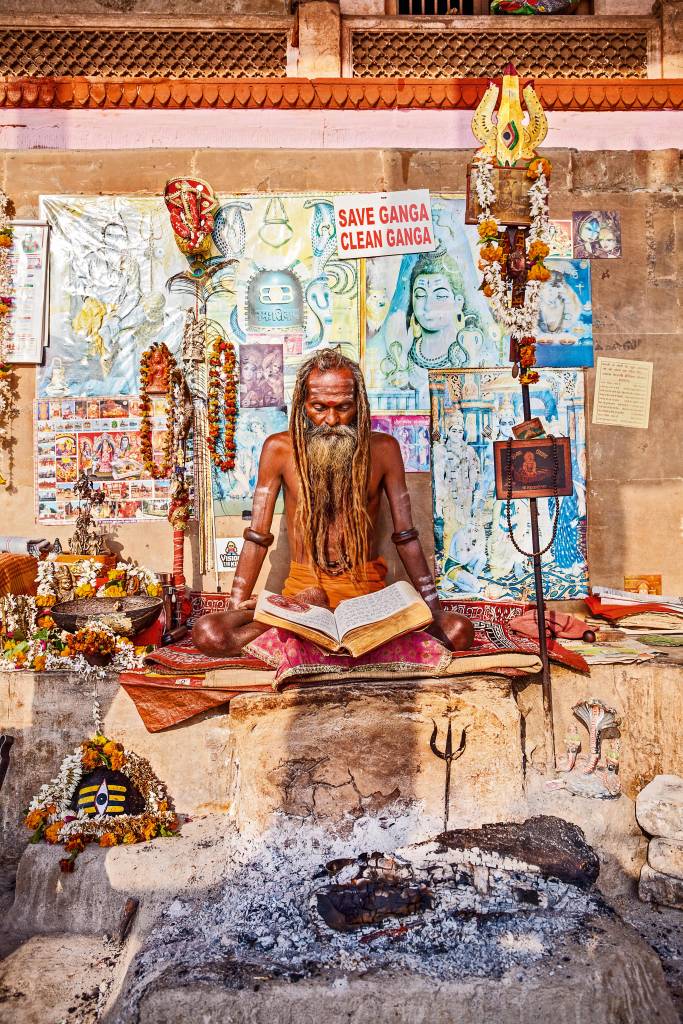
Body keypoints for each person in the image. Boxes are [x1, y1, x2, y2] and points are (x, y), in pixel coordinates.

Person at [193, 349, 473, 657]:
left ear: (359, 405)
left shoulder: (384, 449)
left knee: (458, 631)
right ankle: (317, 628)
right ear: (302, 404)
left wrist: (432, 609)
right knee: (210, 634)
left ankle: (313, 641)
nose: (331, 420)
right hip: (302, 600)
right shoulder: (279, 449)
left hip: (368, 601)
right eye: (319, 408)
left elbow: (405, 535)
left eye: (343, 407)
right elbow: (257, 537)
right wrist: (235, 608)